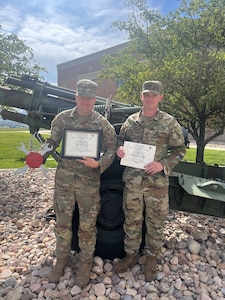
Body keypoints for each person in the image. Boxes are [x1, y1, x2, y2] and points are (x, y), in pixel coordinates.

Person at [41, 79, 117, 287]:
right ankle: (62, 258)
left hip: (89, 182)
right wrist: (40, 155)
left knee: (87, 224)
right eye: (81, 97)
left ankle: (85, 262)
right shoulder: (62, 119)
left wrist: (98, 163)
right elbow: (52, 142)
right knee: (63, 222)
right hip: (65, 180)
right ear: (76, 97)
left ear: (94, 100)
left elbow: (112, 149)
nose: (85, 101)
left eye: (89, 98)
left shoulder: (102, 124)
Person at [113, 80, 186, 281]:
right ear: (141, 96)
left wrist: (162, 164)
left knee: (156, 222)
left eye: (154, 95)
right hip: (133, 182)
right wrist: (119, 150)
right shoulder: (130, 121)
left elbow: (180, 151)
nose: (150, 98)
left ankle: (152, 258)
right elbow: (121, 141)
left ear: (160, 97)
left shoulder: (169, 122)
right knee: (132, 221)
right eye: (146, 94)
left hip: (156, 184)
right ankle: (131, 255)